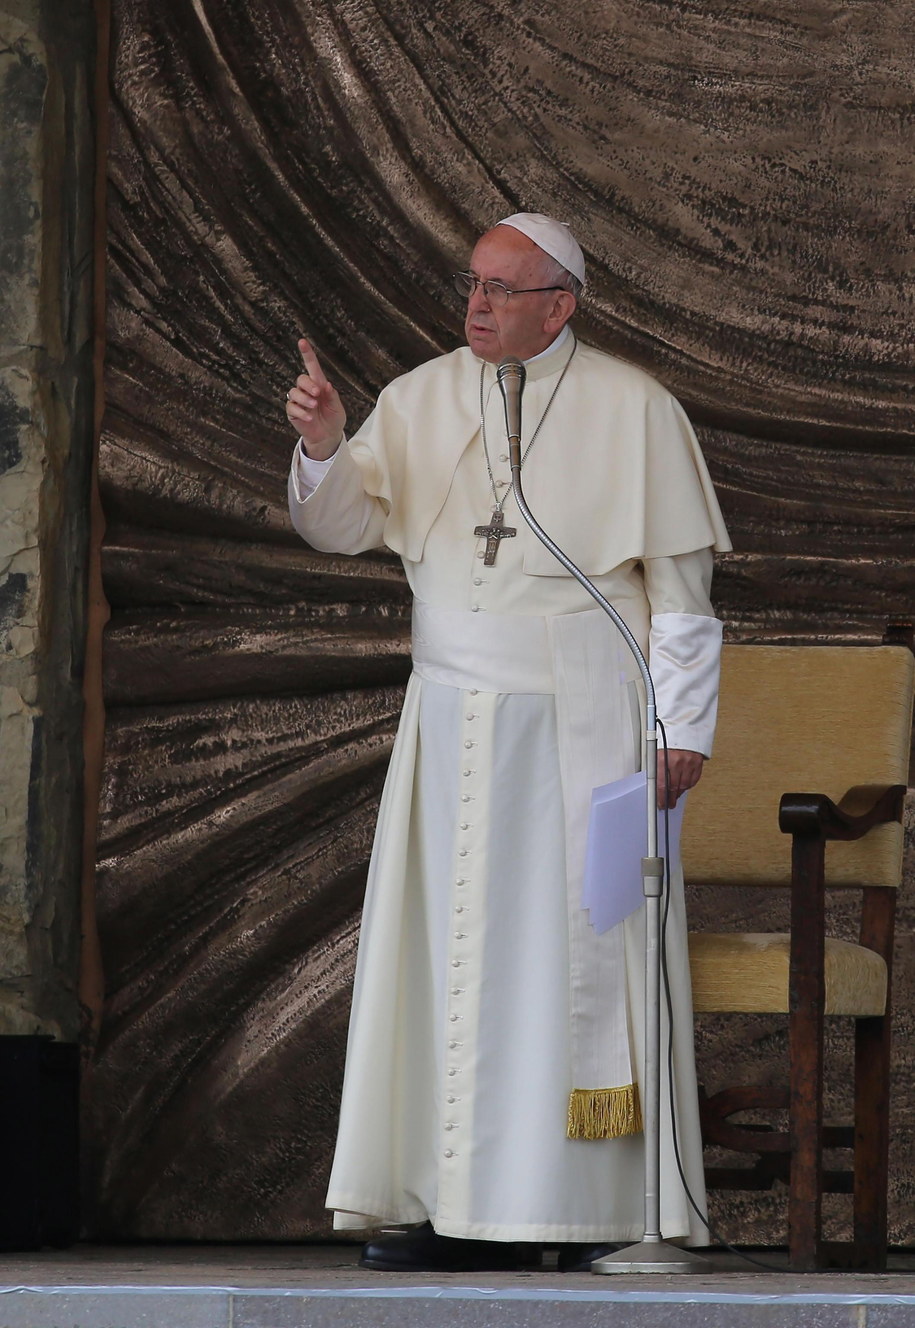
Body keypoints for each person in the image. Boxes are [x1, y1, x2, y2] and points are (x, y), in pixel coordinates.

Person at [285, 213, 731, 1273]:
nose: (476, 304)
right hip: (449, 719)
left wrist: (683, 731)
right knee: (446, 960)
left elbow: (682, 597)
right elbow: (343, 525)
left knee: (584, 962)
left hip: (585, 718)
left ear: (560, 303)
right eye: (471, 283)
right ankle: (446, 1199)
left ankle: (611, 1212)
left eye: (502, 287)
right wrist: (319, 445)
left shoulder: (638, 409)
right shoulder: (423, 395)